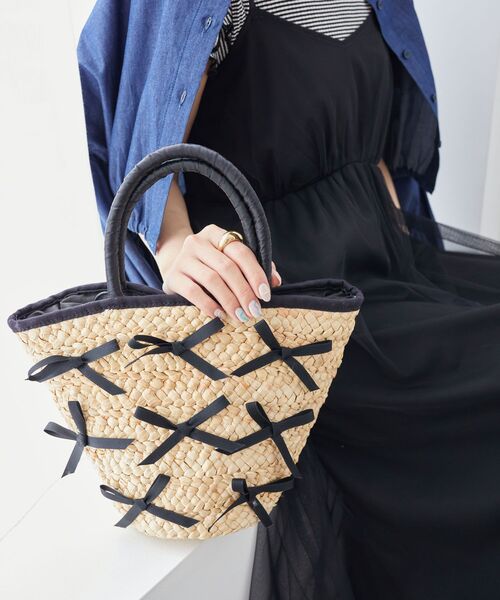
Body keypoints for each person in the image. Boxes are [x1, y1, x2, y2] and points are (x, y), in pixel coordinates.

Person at [77, 1, 500, 598]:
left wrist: (403, 241)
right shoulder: (221, 9)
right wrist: (175, 249)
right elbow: (155, 145)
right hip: (298, 305)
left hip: (391, 268)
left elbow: (372, 150)